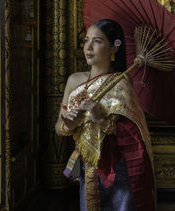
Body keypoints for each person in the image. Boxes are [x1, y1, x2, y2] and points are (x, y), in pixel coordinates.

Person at [55, 19, 155, 211]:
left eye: (97, 41)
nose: (88, 47)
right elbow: (59, 128)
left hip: (118, 168)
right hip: (89, 166)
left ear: (114, 48)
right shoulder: (74, 80)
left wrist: (100, 119)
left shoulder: (121, 84)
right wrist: (69, 124)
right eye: (86, 40)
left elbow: (135, 134)